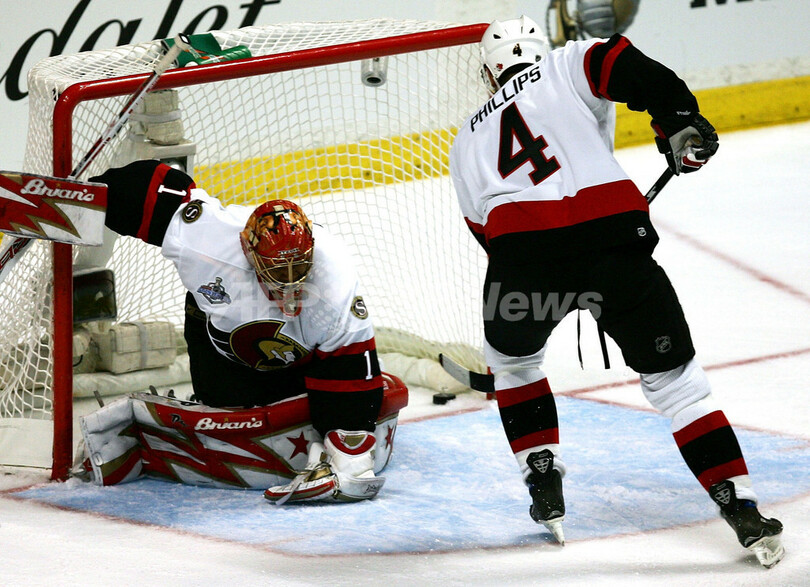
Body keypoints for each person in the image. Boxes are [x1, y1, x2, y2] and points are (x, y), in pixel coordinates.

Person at [448, 15, 784, 567]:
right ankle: (741, 506)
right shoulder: (566, 63)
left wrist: (550, 276)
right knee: (679, 388)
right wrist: (678, 120)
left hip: (523, 267)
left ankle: (543, 480)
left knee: (513, 364)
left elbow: (484, 233)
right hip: (614, 254)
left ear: (489, 72)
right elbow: (626, 65)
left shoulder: (466, 137)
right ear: (541, 47)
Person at [87, 159, 398, 503]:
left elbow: (352, 364)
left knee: (331, 382)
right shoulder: (208, 240)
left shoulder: (334, 277)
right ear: (248, 252)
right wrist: (95, 194)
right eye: (278, 269)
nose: (290, 281)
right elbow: (156, 194)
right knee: (221, 401)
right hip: (219, 349)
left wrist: (350, 456)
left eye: (299, 267)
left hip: (300, 359)